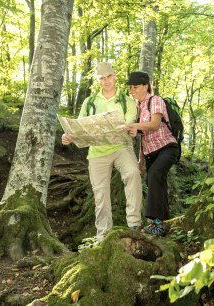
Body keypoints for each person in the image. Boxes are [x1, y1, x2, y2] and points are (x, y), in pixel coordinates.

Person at [61, 62, 142, 243]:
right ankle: (103, 235)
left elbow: (129, 123)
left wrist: (128, 128)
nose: (106, 81)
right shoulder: (90, 102)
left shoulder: (126, 100)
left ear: (115, 77)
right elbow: (79, 127)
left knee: (133, 173)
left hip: (121, 147)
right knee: (100, 193)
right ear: (98, 81)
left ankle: (135, 224)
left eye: (109, 77)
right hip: (97, 152)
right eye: (102, 78)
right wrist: (69, 137)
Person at [124, 71, 180, 236]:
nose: (132, 90)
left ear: (145, 86)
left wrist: (136, 126)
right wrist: (141, 160)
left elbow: (155, 124)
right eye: (130, 88)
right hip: (150, 153)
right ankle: (163, 223)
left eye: (135, 87)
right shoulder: (138, 107)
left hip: (167, 147)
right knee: (154, 179)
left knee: (155, 174)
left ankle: (156, 222)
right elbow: (143, 136)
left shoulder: (155, 101)